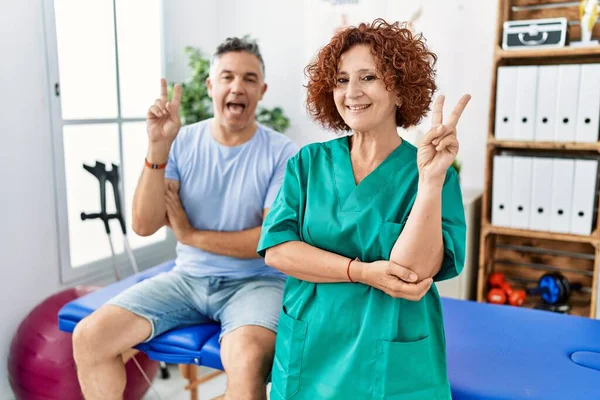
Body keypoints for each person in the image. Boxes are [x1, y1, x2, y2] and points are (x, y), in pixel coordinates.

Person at [72, 37, 298, 400]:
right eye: (227, 77)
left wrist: (190, 234)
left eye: (249, 78)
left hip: (256, 283)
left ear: (262, 90)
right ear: (211, 86)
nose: (237, 87)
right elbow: (145, 224)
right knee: (89, 337)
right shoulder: (182, 142)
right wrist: (158, 146)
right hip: (188, 279)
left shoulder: (283, 153)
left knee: (249, 360)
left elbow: (265, 243)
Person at [257, 19, 470, 399]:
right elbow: (277, 251)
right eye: (341, 80)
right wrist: (361, 272)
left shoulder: (432, 176)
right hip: (311, 343)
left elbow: (413, 272)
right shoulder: (307, 164)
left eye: (368, 77)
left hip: (387, 350)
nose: (351, 92)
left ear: (401, 91)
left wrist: (430, 181)